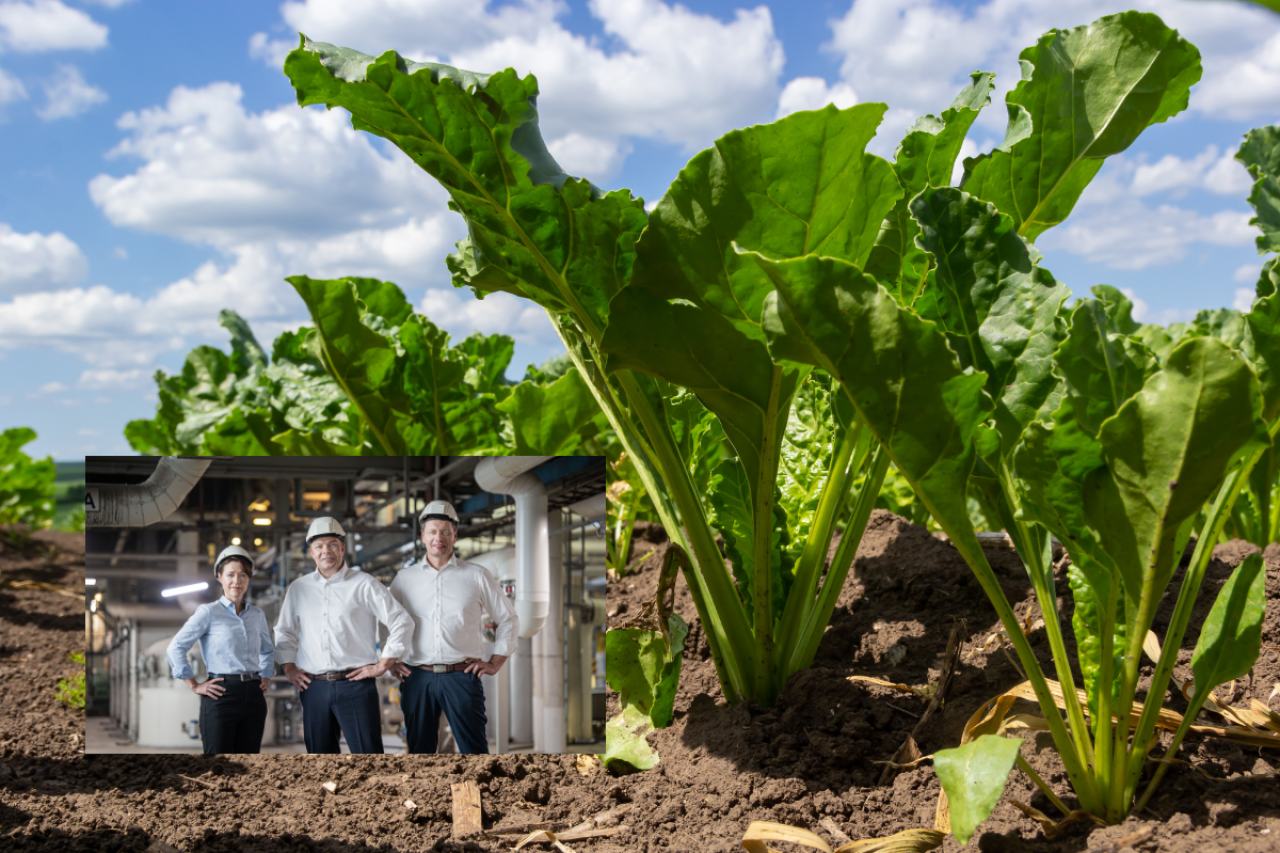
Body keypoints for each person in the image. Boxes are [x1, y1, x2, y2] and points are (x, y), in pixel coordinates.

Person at [274, 516, 413, 754]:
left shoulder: (365, 584)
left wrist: (383, 664)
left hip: (356, 685)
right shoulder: (299, 588)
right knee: (320, 761)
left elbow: (402, 620)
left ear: (343, 548)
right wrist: (289, 668)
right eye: (319, 546)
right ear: (311, 552)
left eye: (332, 544)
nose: (326, 551)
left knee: (368, 758)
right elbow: (284, 631)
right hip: (314, 687)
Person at [391, 500, 519, 754]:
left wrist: (495, 662)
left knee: (474, 751)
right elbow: (387, 622)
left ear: (455, 535)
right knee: (419, 751)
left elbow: (508, 619)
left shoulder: (477, 575)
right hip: (417, 677)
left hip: (462, 676)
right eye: (433, 531)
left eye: (446, 532)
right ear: (423, 536)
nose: (439, 538)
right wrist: (389, 660)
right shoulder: (404, 579)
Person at [166, 545, 274, 755]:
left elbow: (267, 651)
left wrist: (267, 675)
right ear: (220, 576)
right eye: (231, 574)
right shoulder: (208, 612)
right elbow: (176, 647)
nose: (237, 581)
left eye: (243, 575)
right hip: (220, 695)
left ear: (249, 578)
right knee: (218, 764)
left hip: (253, 695)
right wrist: (194, 685)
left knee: (249, 763)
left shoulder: (257, 615)